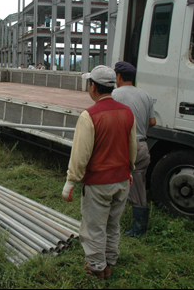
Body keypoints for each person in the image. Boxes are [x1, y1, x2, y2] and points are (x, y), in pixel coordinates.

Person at [62, 65, 137, 280]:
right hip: (122, 180)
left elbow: (80, 154)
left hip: (98, 184)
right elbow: (132, 147)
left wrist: (71, 181)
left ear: (93, 86)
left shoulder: (90, 116)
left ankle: (96, 268)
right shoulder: (126, 112)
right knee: (113, 225)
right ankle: (109, 262)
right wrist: (129, 170)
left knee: (94, 227)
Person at [112, 61, 156, 237]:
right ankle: (139, 227)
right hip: (142, 146)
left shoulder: (114, 94)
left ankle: (110, 220)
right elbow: (152, 122)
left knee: (111, 182)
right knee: (138, 186)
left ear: (119, 77)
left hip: (122, 146)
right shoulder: (145, 95)